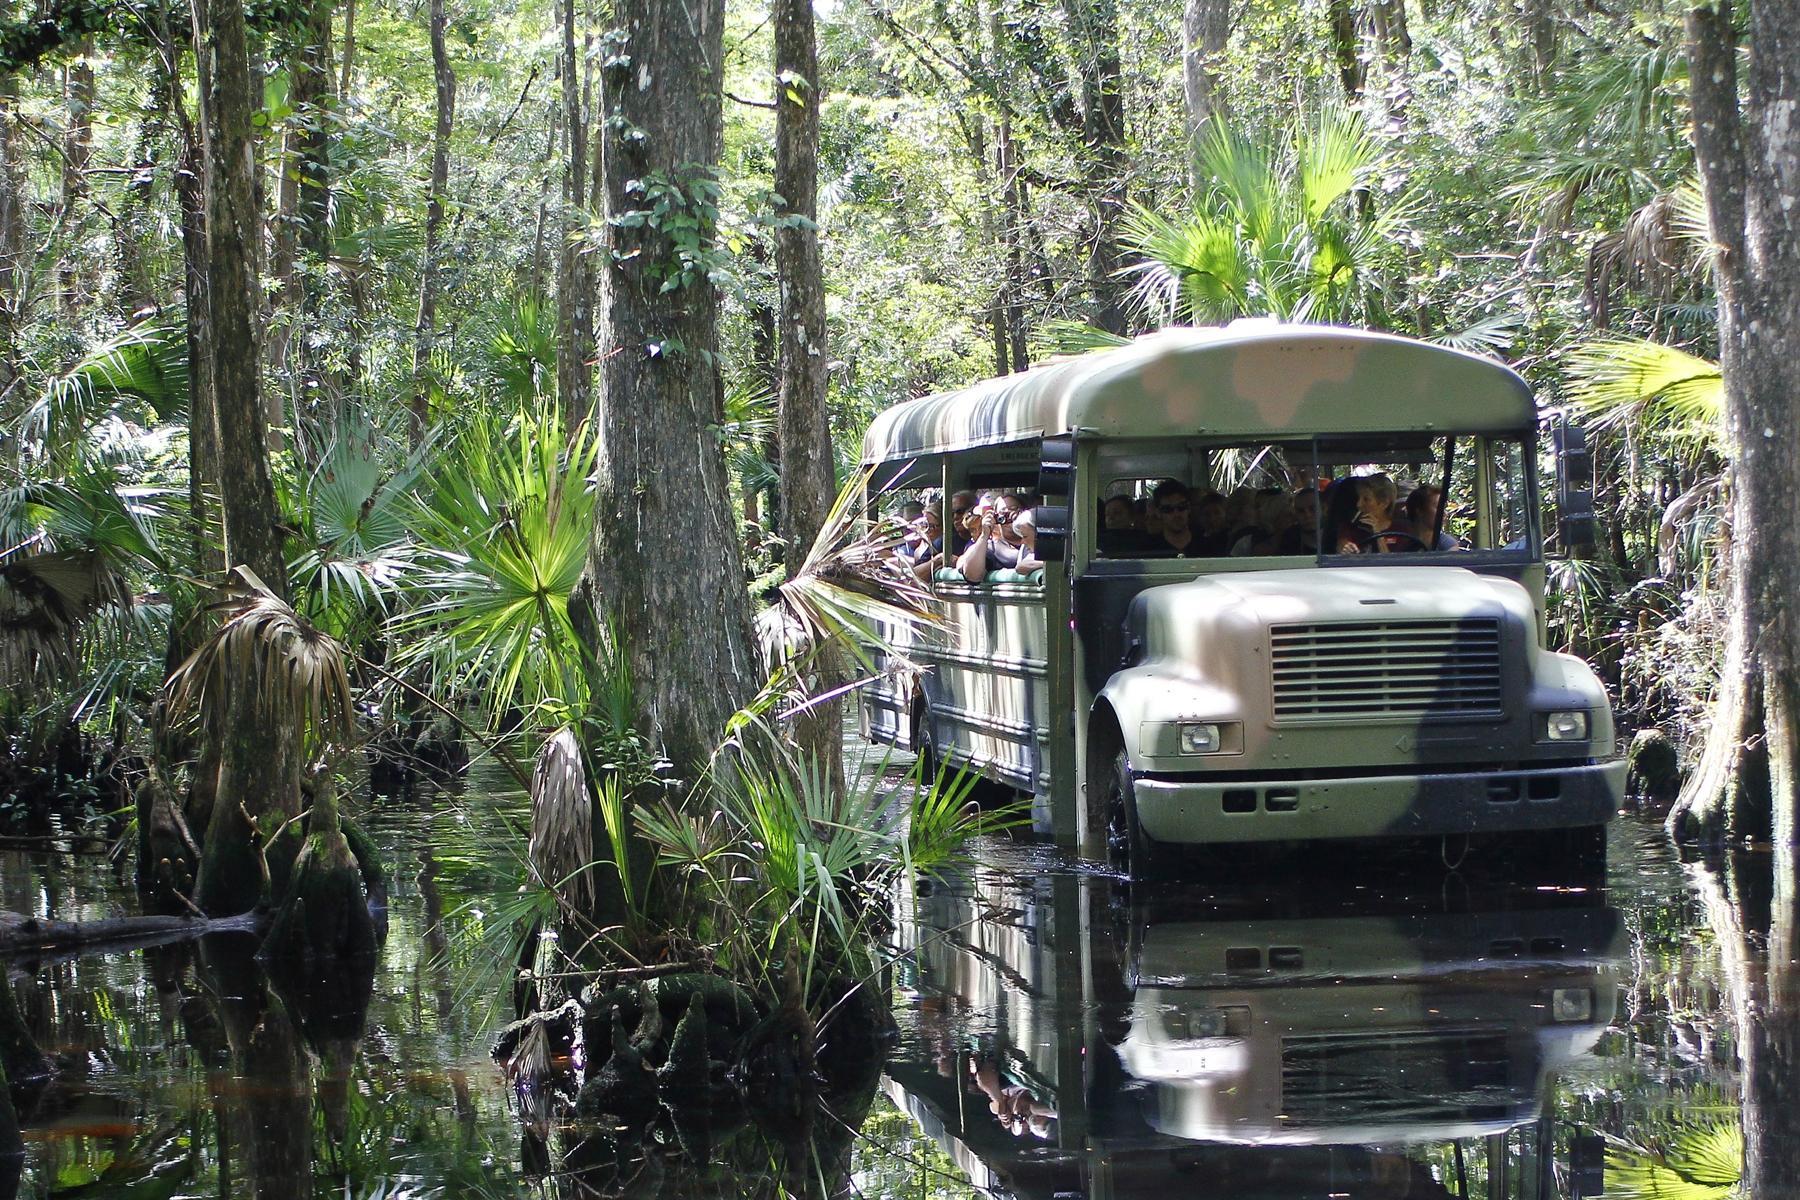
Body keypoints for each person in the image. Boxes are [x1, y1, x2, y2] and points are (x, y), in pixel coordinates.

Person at [1141, 480, 1202, 557]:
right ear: (1158, 513)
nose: (1176, 514)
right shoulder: (1147, 549)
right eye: (1168, 509)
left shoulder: (1206, 545)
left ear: (1189, 508)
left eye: (1181, 507)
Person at [1401, 483, 1462, 550]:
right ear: (1419, 511)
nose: (1445, 513)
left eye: (1444, 508)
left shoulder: (1447, 544)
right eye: (1438, 507)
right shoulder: (1401, 542)